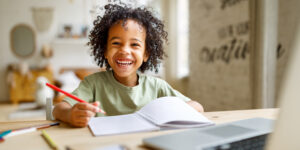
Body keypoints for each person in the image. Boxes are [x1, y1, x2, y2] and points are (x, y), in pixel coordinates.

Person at [53, 4, 204, 127]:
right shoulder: (93, 84)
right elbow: (59, 109)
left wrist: (171, 111)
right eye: (116, 43)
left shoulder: (157, 86)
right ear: (105, 50)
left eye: (134, 44)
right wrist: (70, 115)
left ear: (146, 54)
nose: (125, 50)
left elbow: (197, 107)